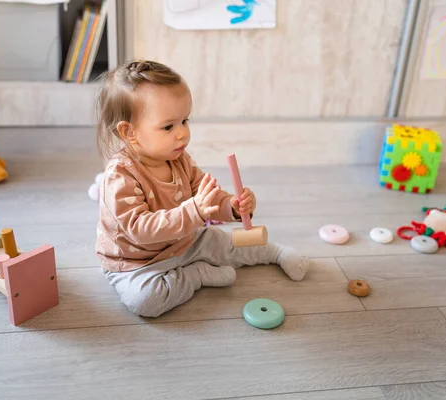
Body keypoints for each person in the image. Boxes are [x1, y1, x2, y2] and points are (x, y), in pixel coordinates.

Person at [94, 60, 309, 317]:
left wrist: (232, 206)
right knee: (145, 301)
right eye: (168, 126)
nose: (182, 134)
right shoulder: (120, 176)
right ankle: (196, 275)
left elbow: (207, 197)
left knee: (227, 243)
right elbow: (140, 230)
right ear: (129, 133)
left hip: (186, 241)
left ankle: (275, 252)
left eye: (185, 121)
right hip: (137, 261)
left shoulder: (179, 159)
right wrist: (194, 212)